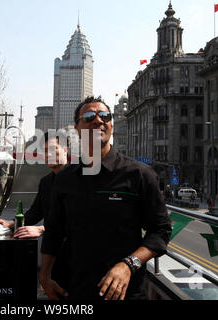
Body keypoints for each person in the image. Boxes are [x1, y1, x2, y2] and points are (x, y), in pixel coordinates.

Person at [39, 96, 172, 301]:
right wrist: (45, 275)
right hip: (73, 289)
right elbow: (54, 232)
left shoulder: (140, 174)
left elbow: (160, 231)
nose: (98, 120)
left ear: (110, 124)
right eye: (89, 116)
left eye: (104, 116)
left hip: (125, 292)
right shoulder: (65, 178)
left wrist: (129, 264)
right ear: (77, 129)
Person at [0, 131, 68, 239]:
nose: (48, 154)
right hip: (50, 246)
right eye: (45, 150)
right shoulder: (45, 182)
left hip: (74, 246)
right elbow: (35, 213)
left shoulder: (78, 179)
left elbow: (78, 218)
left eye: (53, 149)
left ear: (65, 149)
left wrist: (41, 229)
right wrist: (11, 223)